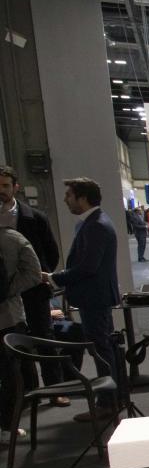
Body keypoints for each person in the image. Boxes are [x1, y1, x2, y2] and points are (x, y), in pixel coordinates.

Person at [46, 178, 120, 421]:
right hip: (94, 296)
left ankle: (108, 402)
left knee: (101, 350)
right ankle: (111, 399)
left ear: (83, 198)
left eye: (69, 195)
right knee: (103, 347)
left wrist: (55, 278)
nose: (65, 199)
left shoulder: (96, 225)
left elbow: (88, 267)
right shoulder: (92, 222)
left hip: (95, 297)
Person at [0, 166, 65, 404]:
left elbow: (51, 253)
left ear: (15, 187)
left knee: (44, 338)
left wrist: (35, 277)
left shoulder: (35, 217)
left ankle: (56, 390)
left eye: (5, 185)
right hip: (5, 296)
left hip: (33, 290)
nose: (1, 190)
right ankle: (27, 394)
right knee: (14, 345)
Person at [0, 206, 43, 446]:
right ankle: (8, 425)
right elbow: (34, 274)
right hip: (8, 316)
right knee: (12, 374)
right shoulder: (12, 238)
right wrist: (9, 291)